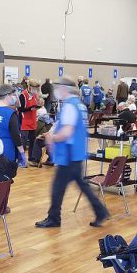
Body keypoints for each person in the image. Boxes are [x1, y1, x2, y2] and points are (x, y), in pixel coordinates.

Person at [35, 76, 108, 228]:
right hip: (76, 152)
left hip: (68, 154)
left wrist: (51, 138)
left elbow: (66, 132)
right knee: (81, 185)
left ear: (63, 89)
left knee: (57, 189)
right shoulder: (79, 105)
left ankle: (54, 218)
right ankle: (100, 211)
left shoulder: (69, 106)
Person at [0, 84, 26, 166]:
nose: (15, 97)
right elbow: (16, 137)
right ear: (8, 95)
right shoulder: (10, 113)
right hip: (6, 153)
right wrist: (22, 154)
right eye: (13, 95)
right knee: (6, 177)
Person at [19, 79, 39, 159]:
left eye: (36, 88)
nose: (35, 90)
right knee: (23, 142)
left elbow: (37, 102)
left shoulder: (34, 95)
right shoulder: (23, 95)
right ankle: (21, 159)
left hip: (33, 121)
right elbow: (20, 109)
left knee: (32, 142)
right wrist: (30, 109)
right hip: (25, 122)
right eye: (34, 88)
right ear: (29, 86)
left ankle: (31, 157)